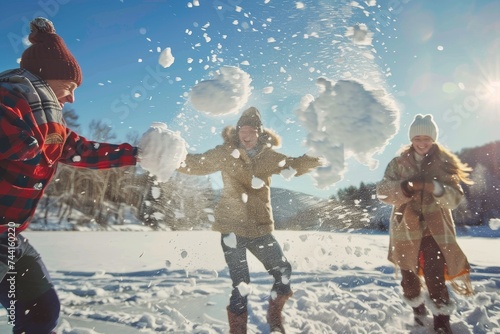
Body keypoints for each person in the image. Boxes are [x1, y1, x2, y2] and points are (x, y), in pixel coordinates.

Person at [0, 17, 177, 333]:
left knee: (41, 311)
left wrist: (139, 153)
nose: (71, 98)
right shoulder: (8, 99)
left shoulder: (47, 123)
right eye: (69, 87)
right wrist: (30, 147)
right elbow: (18, 139)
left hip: (8, 237)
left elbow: (84, 150)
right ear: (44, 78)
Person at [178, 107, 322, 333]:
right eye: (242, 130)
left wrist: (318, 159)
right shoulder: (225, 153)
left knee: (283, 271)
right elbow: (197, 163)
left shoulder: (268, 157)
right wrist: (168, 157)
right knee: (241, 284)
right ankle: (238, 331)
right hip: (231, 228)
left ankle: (274, 317)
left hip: (259, 228)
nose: (246, 135)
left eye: (251, 131)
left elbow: (292, 165)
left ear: (259, 132)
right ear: (237, 132)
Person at [376, 114, 474, 334]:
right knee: (408, 279)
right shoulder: (398, 163)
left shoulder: (445, 163)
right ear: (411, 139)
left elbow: (455, 199)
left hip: (435, 230)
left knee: (434, 275)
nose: (422, 143)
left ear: (433, 139)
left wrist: (436, 188)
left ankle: (441, 322)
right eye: (418, 138)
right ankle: (418, 313)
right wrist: (406, 188)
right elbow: (382, 192)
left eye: (427, 138)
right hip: (405, 230)